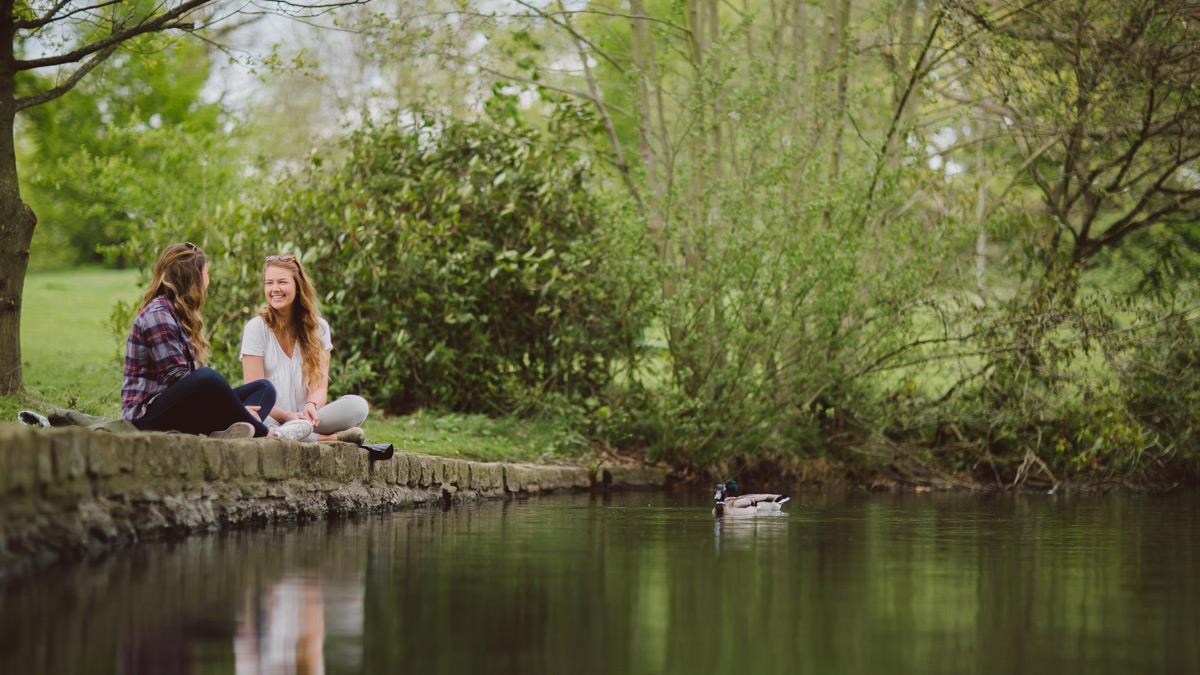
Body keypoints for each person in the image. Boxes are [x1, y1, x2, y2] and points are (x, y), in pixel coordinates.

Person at [121, 242, 313, 440]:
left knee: (263, 389)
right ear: (192, 278)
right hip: (146, 417)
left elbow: (190, 393)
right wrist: (235, 410)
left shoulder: (176, 314)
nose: (208, 279)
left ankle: (228, 429)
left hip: (180, 410)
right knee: (208, 378)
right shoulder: (158, 316)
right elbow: (181, 382)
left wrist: (232, 408)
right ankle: (269, 433)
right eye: (206, 273)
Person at [241, 254, 369, 444]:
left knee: (358, 406)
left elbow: (319, 385)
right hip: (272, 416)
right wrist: (286, 416)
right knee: (251, 418)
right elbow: (255, 393)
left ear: (297, 285)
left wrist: (311, 405)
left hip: (308, 419)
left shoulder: (319, 328)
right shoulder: (256, 328)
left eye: (282, 282)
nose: (275, 289)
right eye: (269, 283)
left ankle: (291, 435)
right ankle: (328, 438)